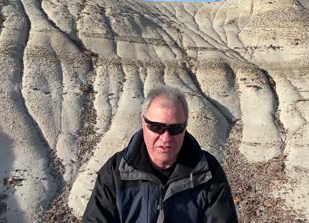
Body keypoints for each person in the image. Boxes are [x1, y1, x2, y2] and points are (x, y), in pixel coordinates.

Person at [82, 85, 239, 223]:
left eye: (175, 129)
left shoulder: (208, 172)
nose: (166, 138)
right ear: (143, 123)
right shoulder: (115, 173)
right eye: (156, 127)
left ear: (185, 126)